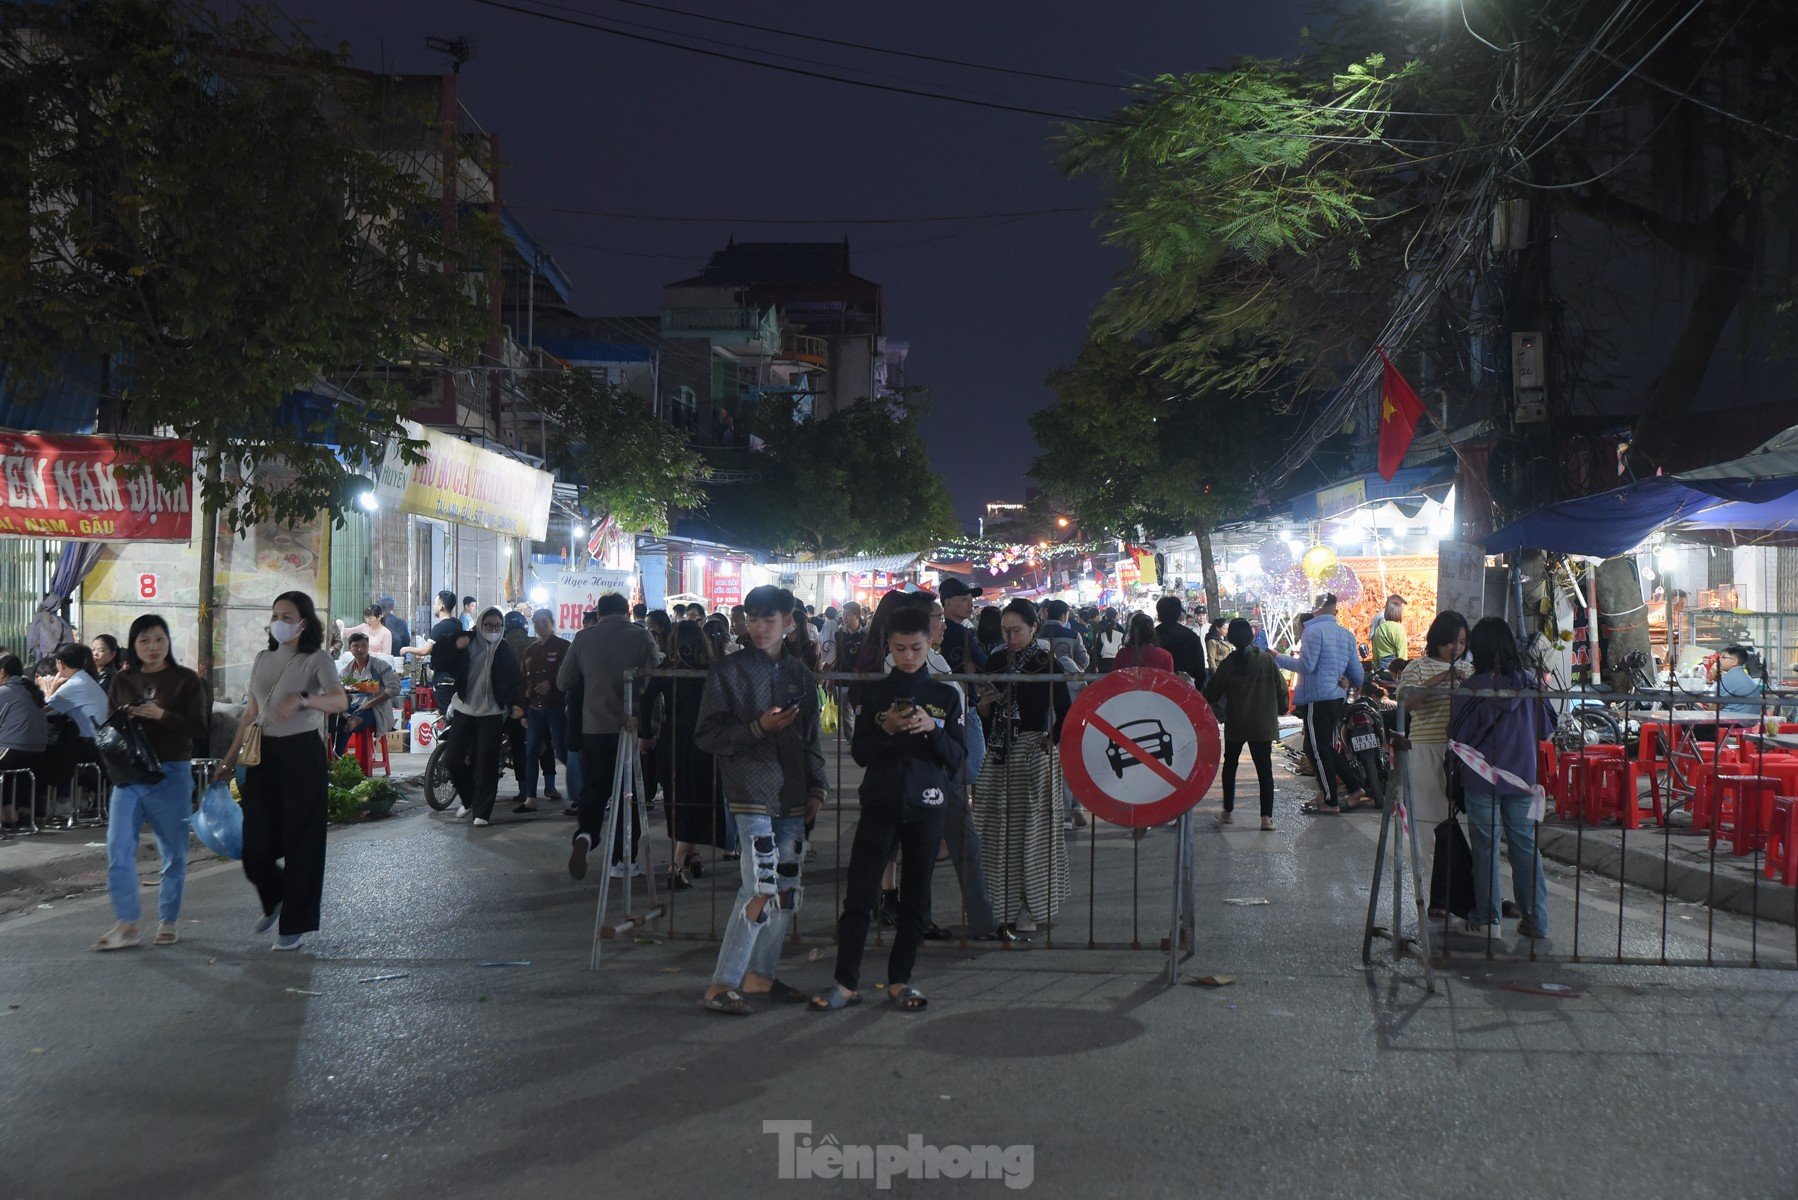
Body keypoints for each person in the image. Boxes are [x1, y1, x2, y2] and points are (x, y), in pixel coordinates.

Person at [814, 604, 965, 1012]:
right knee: (860, 895)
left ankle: (901, 980)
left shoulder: (946, 696)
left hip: (928, 804)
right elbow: (860, 753)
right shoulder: (876, 693)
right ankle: (846, 982)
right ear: (889, 647)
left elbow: (958, 758)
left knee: (916, 898)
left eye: (916, 648)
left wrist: (932, 729)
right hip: (880, 802)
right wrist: (885, 728)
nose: (909, 657)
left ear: (929, 642)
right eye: (900, 649)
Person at [695, 585, 827, 1015]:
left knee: (787, 889)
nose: (758, 627)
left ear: (788, 622)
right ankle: (722, 983)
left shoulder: (799, 675)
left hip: (790, 793)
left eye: (768, 619)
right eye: (752, 618)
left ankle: (760, 977)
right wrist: (757, 729)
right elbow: (707, 735)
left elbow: (811, 738)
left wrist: (817, 787)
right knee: (759, 886)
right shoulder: (727, 672)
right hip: (749, 792)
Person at [217, 592, 347, 951]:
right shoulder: (262, 659)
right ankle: (274, 896)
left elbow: (340, 700)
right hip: (263, 755)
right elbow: (249, 712)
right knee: (254, 844)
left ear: (303, 622)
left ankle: (293, 927)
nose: (279, 621)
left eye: (287, 616)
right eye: (275, 615)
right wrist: (229, 760)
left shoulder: (316, 659)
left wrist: (305, 700)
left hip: (302, 754)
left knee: (303, 842)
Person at [87, 623, 207, 950]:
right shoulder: (122, 680)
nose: (152, 646)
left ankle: (168, 919)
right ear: (133, 645)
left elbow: (198, 727)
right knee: (118, 844)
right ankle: (127, 923)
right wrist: (125, 718)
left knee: (174, 851)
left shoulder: (185, 679)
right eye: (144, 640)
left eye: (159, 639)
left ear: (168, 641)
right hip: (131, 773)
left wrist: (161, 715)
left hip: (173, 771)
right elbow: (112, 729)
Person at [1450, 618, 1556, 939]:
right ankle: (1536, 920)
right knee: (1525, 848)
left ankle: (1488, 920)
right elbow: (1547, 728)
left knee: (1486, 850)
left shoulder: (1473, 689)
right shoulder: (1529, 683)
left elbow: (1458, 736)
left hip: (1482, 781)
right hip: (1522, 779)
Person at [974, 599, 1071, 940]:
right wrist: (984, 706)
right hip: (1000, 753)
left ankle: (1032, 906)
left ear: (1034, 628)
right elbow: (985, 713)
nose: (1010, 636)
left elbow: (1065, 711)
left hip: (1033, 753)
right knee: (997, 833)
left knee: (1034, 834)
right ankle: (1000, 907)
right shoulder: (996, 660)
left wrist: (1049, 742)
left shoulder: (1048, 663)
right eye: (1005, 630)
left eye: (1016, 630)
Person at [558, 592, 662, 879]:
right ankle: (622, 859)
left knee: (594, 786)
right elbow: (655, 673)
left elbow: (563, 680)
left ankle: (586, 835)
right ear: (626, 611)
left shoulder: (583, 637)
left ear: (600, 612)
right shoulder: (641, 636)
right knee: (628, 793)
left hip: (593, 727)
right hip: (628, 726)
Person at [646, 621, 729, 891]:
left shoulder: (666, 668)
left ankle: (692, 856)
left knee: (678, 799)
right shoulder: (710, 670)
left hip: (671, 738)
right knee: (696, 799)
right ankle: (677, 864)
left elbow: (646, 700)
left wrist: (646, 734)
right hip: (702, 740)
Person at [1396, 611, 1470, 898]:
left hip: (1461, 754)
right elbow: (1405, 704)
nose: (1457, 648)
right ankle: (1435, 895)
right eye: (1452, 641)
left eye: (1462, 642)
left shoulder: (1470, 670)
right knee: (1429, 824)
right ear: (1437, 640)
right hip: (1425, 750)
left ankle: (1465, 894)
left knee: (1463, 825)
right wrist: (1441, 678)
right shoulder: (1417, 667)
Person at [439, 607, 524, 827]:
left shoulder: (503, 649)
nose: (493, 630)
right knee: (452, 758)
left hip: (492, 713)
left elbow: (514, 680)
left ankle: (482, 812)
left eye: (497, 626)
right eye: (488, 625)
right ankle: (468, 799)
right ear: (479, 625)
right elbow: (439, 661)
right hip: (464, 709)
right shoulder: (466, 641)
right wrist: (453, 647)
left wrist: (516, 705)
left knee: (486, 763)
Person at [1202, 619, 1290, 831]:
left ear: (1231, 638)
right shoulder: (1267, 661)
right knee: (1264, 770)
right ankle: (1266, 818)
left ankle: (1228, 811)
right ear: (1251, 636)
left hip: (1237, 723)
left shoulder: (1229, 663)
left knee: (1230, 765)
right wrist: (1280, 709)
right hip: (1262, 723)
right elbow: (1281, 691)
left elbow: (1212, 692)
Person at [1286, 592, 1367, 815]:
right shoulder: (1346, 634)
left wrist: (1277, 657)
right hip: (1336, 698)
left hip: (1318, 699)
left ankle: (1331, 800)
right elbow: (1357, 672)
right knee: (1324, 747)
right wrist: (1357, 686)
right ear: (1334, 607)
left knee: (1317, 748)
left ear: (1317, 606)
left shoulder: (1313, 630)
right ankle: (1352, 788)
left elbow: (1306, 666)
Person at [516, 610, 571, 814]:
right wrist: (522, 712)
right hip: (534, 709)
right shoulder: (530, 650)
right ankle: (531, 797)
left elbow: (570, 675)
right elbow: (523, 681)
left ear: (552, 623)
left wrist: (553, 684)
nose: (540, 625)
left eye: (544, 621)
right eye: (537, 622)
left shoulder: (564, 647)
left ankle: (578, 794)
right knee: (531, 752)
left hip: (556, 707)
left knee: (563, 750)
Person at [45, 642, 107, 812]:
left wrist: (52, 686)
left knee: (52, 748)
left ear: (60, 663)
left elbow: (42, 708)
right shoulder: (85, 680)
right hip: (100, 742)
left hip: (93, 745)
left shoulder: (74, 684)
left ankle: (62, 801)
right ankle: (76, 798)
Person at [0, 654, 48, 831]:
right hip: (38, 753)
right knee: (19, 774)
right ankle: (23, 817)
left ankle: (6, 815)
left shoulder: (5, 692)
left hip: (15, 751)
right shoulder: (30, 690)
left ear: (2, 673)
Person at [334, 631, 401, 758]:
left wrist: (372, 702)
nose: (360, 649)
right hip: (354, 708)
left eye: (364, 645)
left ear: (368, 647)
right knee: (338, 719)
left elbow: (395, 688)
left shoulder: (380, 665)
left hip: (376, 709)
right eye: (356, 646)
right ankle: (337, 755)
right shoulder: (346, 671)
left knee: (358, 716)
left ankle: (337, 755)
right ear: (350, 649)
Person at [402, 590, 464, 707]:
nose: (434, 607)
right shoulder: (457, 624)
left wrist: (407, 649)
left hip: (443, 679)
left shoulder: (440, 627)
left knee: (447, 713)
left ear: (441, 606)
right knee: (453, 711)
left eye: (436, 604)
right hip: (457, 677)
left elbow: (425, 650)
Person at [1154, 596, 1209, 689]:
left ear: (1159, 613)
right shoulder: (1191, 636)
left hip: (1157, 690)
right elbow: (1200, 671)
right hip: (1185, 689)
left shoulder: (1151, 637)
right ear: (1179, 614)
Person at [1039, 599, 1089, 675]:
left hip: (1042, 680)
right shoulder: (1074, 635)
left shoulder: (1036, 635)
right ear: (1063, 616)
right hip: (1066, 680)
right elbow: (1083, 660)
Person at [1716, 645, 1764, 715]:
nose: (1720, 660)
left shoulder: (1731, 677)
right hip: (1749, 720)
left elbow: (1716, 704)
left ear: (1734, 661)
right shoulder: (1743, 675)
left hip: (1734, 721)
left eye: (1723, 657)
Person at [1371, 595, 1408, 669]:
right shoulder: (1399, 628)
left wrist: (1374, 665)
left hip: (1382, 666)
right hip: (1395, 666)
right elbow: (1402, 652)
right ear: (1398, 613)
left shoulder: (1379, 629)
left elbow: (1375, 650)